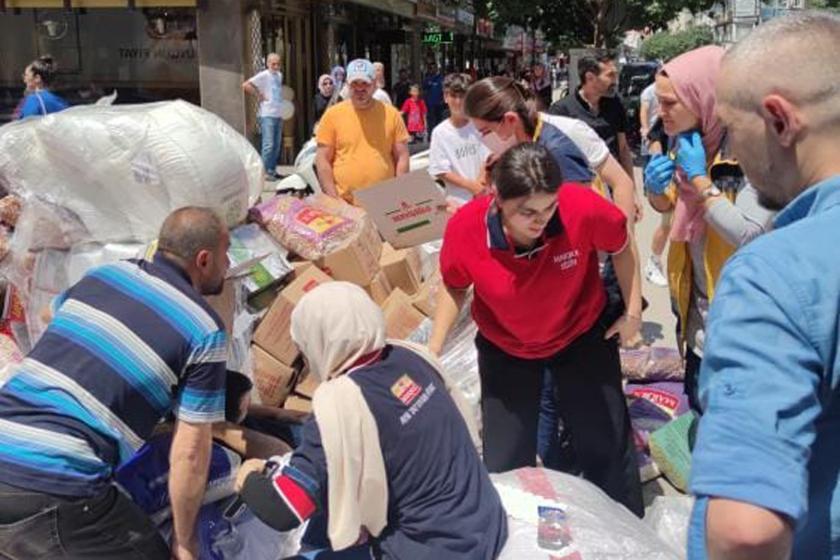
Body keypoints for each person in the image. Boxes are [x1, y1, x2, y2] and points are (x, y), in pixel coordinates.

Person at [688, 13, 840, 559]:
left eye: (729, 128)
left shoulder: (776, 272)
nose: (729, 147)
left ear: (779, 119)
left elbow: (745, 531)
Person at [0, 207, 230, 560]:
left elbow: (49, 316)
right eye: (224, 254)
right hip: (57, 482)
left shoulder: (106, 276)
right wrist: (184, 542)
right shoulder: (204, 328)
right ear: (203, 259)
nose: (228, 264)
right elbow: (190, 452)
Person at [429, 143, 644, 517]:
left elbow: (622, 246)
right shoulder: (467, 228)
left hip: (580, 335)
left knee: (605, 443)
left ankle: (625, 528)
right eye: (526, 212)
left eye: (548, 208)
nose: (540, 220)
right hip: (506, 347)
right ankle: (516, 536)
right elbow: (454, 284)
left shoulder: (581, 206)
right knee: (506, 457)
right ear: (497, 200)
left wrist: (633, 312)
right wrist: (433, 349)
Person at [236, 282, 508, 559]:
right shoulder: (410, 357)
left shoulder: (340, 403)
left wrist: (248, 476)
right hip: (484, 526)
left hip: (433, 550)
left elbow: (284, 511)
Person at [642, 46, 774, 413]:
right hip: (698, 316)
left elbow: (750, 234)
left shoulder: (753, 154)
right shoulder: (691, 140)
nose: (659, 112)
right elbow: (667, 207)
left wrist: (700, 180)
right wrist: (655, 190)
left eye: (670, 103)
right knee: (702, 408)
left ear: (706, 97)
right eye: (658, 101)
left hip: (741, 328)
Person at [315, 58, 410, 205]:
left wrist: (399, 195)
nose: (360, 89)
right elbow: (322, 160)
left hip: (384, 204)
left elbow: (402, 156)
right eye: (355, 84)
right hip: (345, 204)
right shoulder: (332, 115)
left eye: (365, 83)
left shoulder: (391, 115)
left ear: (374, 85)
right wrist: (334, 199)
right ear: (347, 85)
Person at [549, 54, 635, 181]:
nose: (615, 81)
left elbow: (623, 149)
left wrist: (631, 190)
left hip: (613, 186)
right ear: (590, 78)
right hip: (581, 187)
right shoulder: (561, 110)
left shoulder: (616, 104)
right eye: (610, 75)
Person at [428, 73, 491, 207]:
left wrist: (480, 183)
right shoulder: (440, 133)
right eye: (453, 96)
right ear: (446, 97)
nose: (458, 102)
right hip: (457, 201)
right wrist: (470, 186)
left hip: (485, 195)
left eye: (463, 96)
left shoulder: (479, 124)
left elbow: (489, 156)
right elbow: (441, 170)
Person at [639, 81, 670, 287]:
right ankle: (654, 261)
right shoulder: (651, 92)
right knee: (669, 221)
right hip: (674, 171)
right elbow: (655, 134)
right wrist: (658, 158)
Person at [242, 53, 286, 180]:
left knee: (276, 144)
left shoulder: (279, 75)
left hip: (278, 113)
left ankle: (271, 170)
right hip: (267, 114)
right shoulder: (264, 75)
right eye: (273, 64)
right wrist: (258, 95)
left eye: (278, 64)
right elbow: (246, 85)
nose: (276, 66)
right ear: (268, 64)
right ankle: (264, 172)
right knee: (268, 144)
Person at [423, 61, 446, 134]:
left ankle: (439, 134)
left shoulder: (441, 78)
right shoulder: (427, 79)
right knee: (431, 120)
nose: (432, 70)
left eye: (433, 68)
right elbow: (424, 88)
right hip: (430, 104)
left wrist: (443, 100)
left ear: (436, 68)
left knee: (439, 120)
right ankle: (431, 135)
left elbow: (444, 90)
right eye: (430, 68)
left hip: (439, 103)